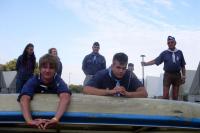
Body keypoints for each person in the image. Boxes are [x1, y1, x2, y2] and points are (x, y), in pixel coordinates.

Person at [18, 54, 71, 130]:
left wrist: (55, 119)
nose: (47, 70)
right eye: (44, 67)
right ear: (39, 68)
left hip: (54, 115)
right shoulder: (34, 80)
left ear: (55, 70)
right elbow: (24, 98)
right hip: (35, 115)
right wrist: (29, 120)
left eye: (51, 68)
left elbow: (65, 96)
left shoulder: (58, 80)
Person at [83, 52, 148, 98]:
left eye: (124, 68)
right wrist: (108, 92)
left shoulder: (130, 75)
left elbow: (144, 93)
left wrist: (127, 93)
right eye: (118, 67)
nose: (121, 71)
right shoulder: (102, 74)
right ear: (112, 66)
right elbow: (86, 89)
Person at [141, 36, 186, 100]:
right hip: (167, 75)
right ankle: (166, 109)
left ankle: (174, 109)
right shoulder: (164, 53)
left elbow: (183, 65)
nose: (170, 44)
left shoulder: (179, 52)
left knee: (175, 96)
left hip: (177, 75)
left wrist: (183, 76)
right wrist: (146, 64)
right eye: (168, 43)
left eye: (172, 42)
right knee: (165, 95)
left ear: (175, 43)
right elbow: (155, 61)